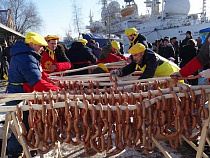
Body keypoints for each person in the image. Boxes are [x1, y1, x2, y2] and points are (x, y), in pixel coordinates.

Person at [6, 31, 60, 158]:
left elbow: (37, 72)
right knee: (21, 125)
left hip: (23, 93)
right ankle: (14, 152)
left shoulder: (27, 55)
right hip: (17, 96)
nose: (42, 48)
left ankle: (29, 146)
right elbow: (36, 82)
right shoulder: (25, 57)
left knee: (29, 123)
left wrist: (48, 80)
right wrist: (57, 90)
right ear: (31, 44)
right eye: (40, 45)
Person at [110, 43, 180, 79]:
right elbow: (132, 67)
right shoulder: (139, 57)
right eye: (133, 55)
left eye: (135, 55)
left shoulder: (152, 57)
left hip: (171, 74)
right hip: (162, 77)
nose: (134, 58)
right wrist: (120, 72)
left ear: (142, 53)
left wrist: (139, 83)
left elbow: (149, 73)